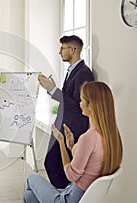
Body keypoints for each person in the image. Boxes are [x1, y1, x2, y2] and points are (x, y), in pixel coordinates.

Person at [23, 81, 123, 203]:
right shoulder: (111, 136)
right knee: (29, 196)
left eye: (81, 101)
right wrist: (71, 146)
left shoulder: (88, 138)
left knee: (32, 178)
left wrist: (61, 142)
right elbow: (89, 162)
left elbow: (71, 175)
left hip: (71, 199)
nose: (80, 104)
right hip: (86, 196)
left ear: (91, 105)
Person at [38, 35, 94, 188]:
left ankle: (64, 196)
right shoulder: (72, 71)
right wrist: (53, 90)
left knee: (58, 167)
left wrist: (53, 89)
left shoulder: (83, 73)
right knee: (52, 164)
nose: (59, 52)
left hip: (72, 130)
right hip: (62, 126)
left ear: (73, 50)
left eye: (62, 48)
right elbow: (67, 99)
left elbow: (78, 105)